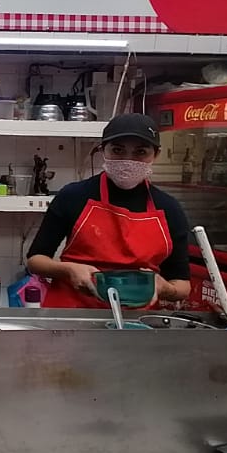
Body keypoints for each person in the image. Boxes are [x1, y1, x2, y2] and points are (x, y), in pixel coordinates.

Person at [26, 113, 191, 309]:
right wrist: (68, 270)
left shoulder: (169, 208)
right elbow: (35, 260)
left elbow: (182, 284)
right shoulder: (74, 195)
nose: (128, 160)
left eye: (140, 152)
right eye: (118, 150)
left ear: (156, 154)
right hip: (72, 316)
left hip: (136, 322)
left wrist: (164, 288)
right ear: (103, 150)